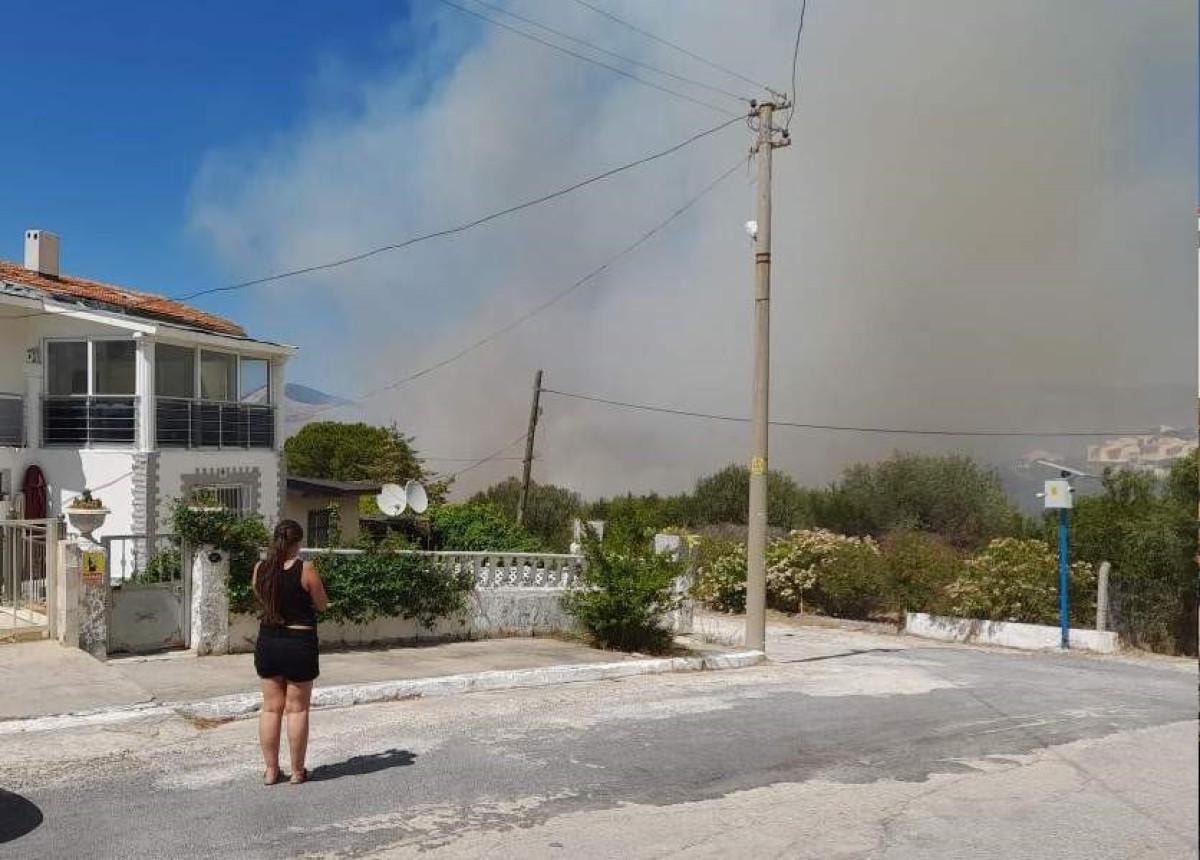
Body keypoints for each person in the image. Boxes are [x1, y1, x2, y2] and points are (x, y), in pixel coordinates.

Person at [252, 519, 329, 785]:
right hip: (299, 641)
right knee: (296, 710)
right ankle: (297, 772)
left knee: (271, 709)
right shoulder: (305, 569)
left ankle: (271, 771)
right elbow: (322, 604)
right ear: (298, 542)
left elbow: (261, 597)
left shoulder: (260, 569)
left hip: (269, 640)